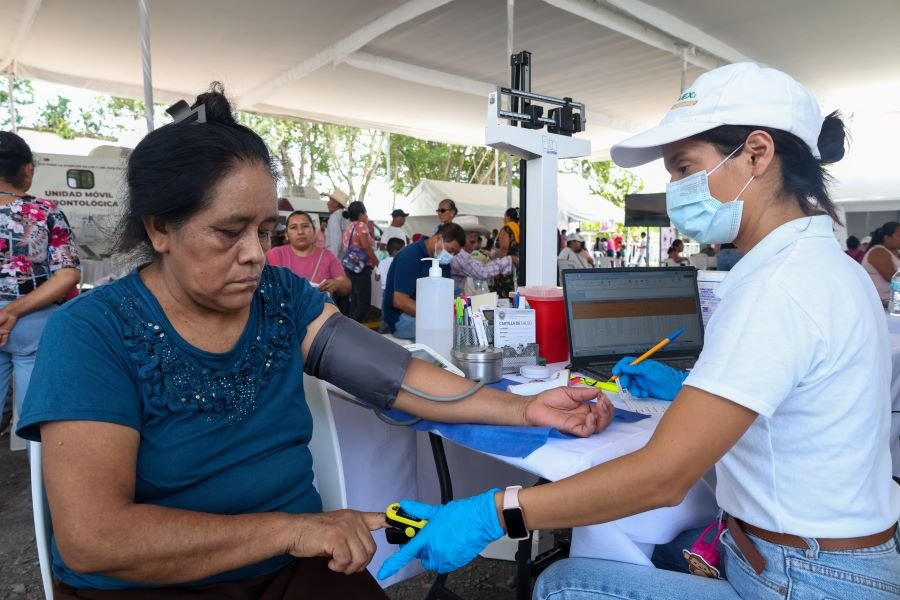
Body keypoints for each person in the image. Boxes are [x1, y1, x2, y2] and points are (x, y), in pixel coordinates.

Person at [15, 85, 616, 599]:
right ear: (159, 228)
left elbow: (395, 378)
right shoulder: (94, 332)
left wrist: (524, 409)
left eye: (265, 230)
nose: (255, 253)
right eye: (229, 231)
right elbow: (95, 539)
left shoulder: (279, 298)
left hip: (286, 571)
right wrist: (293, 530)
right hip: (147, 585)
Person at [377, 63, 900, 599]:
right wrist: (689, 389)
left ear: (757, 154)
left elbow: (662, 478)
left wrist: (494, 513)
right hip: (827, 557)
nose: (673, 189)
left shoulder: (778, 284)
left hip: (803, 578)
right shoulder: (828, 266)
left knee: (564, 584)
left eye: (684, 168)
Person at [0, 131, 81, 424]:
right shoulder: (45, 211)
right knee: (37, 419)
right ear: (28, 169)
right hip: (34, 322)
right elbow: (67, 275)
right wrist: (12, 311)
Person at [382, 224, 465, 339]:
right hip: (401, 318)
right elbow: (400, 301)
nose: (451, 256)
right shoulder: (409, 256)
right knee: (447, 330)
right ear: (438, 238)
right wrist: (435, 316)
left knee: (462, 324)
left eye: (455, 254)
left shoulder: (442, 262)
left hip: (428, 313)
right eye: (450, 251)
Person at [267, 210, 351, 298]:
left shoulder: (328, 257)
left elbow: (346, 285)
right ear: (286, 235)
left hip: (318, 306)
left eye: (305, 226)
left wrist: (337, 284)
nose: (300, 232)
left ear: (314, 231)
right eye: (293, 227)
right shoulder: (275, 254)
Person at [451, 229, 517, 297]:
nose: (475, 245)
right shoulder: (461, 256)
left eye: (476, 241)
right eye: (472, 242)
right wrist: (510, 259)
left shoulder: (461, 254)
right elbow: (482, 272)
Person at [341, 201, 378, 323]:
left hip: (349, 266)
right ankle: (352, 329)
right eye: (366, 213)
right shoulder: (362, 226)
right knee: (364, 303)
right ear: (361, 214)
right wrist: (376, 261)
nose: (367, 216)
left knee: (355, 301)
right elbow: (366, 246)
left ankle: (349, 326)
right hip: (361, 268)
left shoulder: (349, 226)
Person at [861, 222, 900, 305]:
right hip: (883, 302)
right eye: (899, 236)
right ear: (887, 237)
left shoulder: (895, 251)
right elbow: (892, 277)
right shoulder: (878, 252)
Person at [492, 207, 520, 298]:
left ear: (508, 217)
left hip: (506, 267)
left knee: (504, 296)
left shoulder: (506, 229)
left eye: (504, 216)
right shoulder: (519, 228)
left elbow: (504, 248)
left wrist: (498, 268)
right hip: (516, 266)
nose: (504, 219)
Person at [323, 189, 349, 259]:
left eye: (330, 201)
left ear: (335, 203)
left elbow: (335, 242)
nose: (327, 203)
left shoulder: (334, 217)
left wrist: (332, 260)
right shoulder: (344, 216)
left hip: (336, 258)